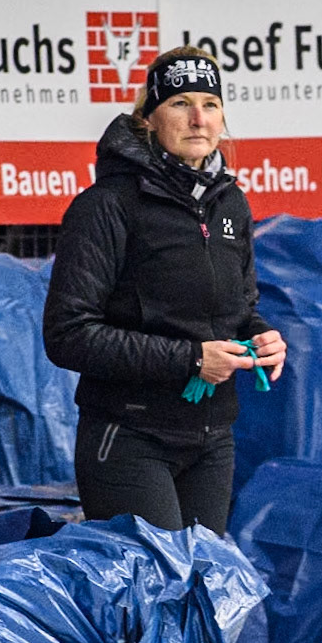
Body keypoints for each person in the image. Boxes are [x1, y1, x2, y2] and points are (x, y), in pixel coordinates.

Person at [43, 45, 287, 537]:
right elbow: (68, 334)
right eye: (180, 103)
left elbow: (242, 307)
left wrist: (261, 337)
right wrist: (190, 360)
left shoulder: (230, 202)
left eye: (210, 104)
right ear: (149, 119)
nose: (198, 117)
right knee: (152, 599)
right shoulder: (107, 205)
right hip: (129, 436)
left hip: (213, 438)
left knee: (203, 598)